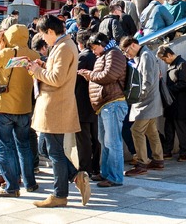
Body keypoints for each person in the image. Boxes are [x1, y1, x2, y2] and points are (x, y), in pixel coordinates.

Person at [27, 15, 90, 208]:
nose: (43, 39)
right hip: (54, 105)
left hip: (55, 106)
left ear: (51, 32)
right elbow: (56, 71)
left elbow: (56, 78)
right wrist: (43, 65)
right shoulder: (63, 45)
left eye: (43, 34)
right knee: (46, 148)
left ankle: (60, 194)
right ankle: (76, 176)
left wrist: (36, 71)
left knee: (53, 151)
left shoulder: (63, 47)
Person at [0, 24, 40, 198]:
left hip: (4, 107)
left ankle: (12, 186)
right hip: (24, 108)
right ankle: (30, 182)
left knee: (4, 147)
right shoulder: (34, 55)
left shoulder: (8, 52)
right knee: (24, 146)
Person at [78, 32, 127, 188]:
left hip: (113, 103)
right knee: (104, 142)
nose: (93, 51)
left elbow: (110, 75)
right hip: (105, 104)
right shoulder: (106, 55)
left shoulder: (115, 53)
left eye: (94, 47)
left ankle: (115, 177)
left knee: (113, 143)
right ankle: (106, 173)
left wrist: (90, 75)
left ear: (101, 43)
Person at [120, 36, 165, 176]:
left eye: (127, 51)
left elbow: (147, 81)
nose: (127, 55)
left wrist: (138, 96)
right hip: (149, 101)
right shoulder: (143, 55)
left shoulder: (145, 56)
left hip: (146, 102)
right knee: (152, 131)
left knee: (136, 130)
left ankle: (141, 163)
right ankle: (158, 160)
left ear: (133, 45)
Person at [157, 45, 186, 162]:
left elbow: (185, 82)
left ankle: (183, 152)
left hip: (180, 103)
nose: (164, 61)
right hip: (171, 103)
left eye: (164, 59)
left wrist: (169, 89)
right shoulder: (172, 65)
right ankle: (168, 150)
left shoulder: (182, 64)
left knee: (181, 128)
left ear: (169, 55)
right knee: (169, 128)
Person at [73, 31, 101, 180]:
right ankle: (96, 167)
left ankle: (85, 168)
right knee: (95, 137)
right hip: (95, 102)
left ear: (80, 43)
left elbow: (74, 80)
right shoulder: (97, 56)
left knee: (83, 138)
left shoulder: (82, 56)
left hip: (82, 103)